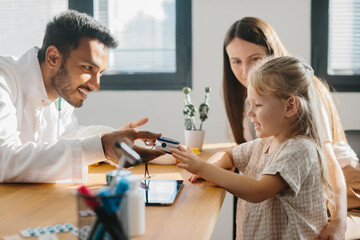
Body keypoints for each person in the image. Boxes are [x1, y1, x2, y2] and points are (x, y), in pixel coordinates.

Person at [220, 17, 360, 239]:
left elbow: (330, 161)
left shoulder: (301, 94)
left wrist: (339, 222)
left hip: (343, 186)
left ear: (271, 54)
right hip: (302, 181)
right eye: (236, 61)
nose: (245, 71)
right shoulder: (249, 97)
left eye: (254, 59)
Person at [172, 56, 330, 239]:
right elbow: (228, 155)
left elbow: (258, 190)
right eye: (250, 104)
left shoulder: (300, 149)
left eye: (258, 105)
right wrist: (211, 168)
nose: (249, 113)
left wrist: (202, 167)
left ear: (290, 106)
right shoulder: (265, 143)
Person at [0, 10, 165, 183]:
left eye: (100, 73)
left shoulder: (60, 93)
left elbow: (69, 137)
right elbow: (4, 159)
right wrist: (102, 146)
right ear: (53, 57)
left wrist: (112, 137)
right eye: (88, 68)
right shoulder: (4, 80)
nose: (96, 85)